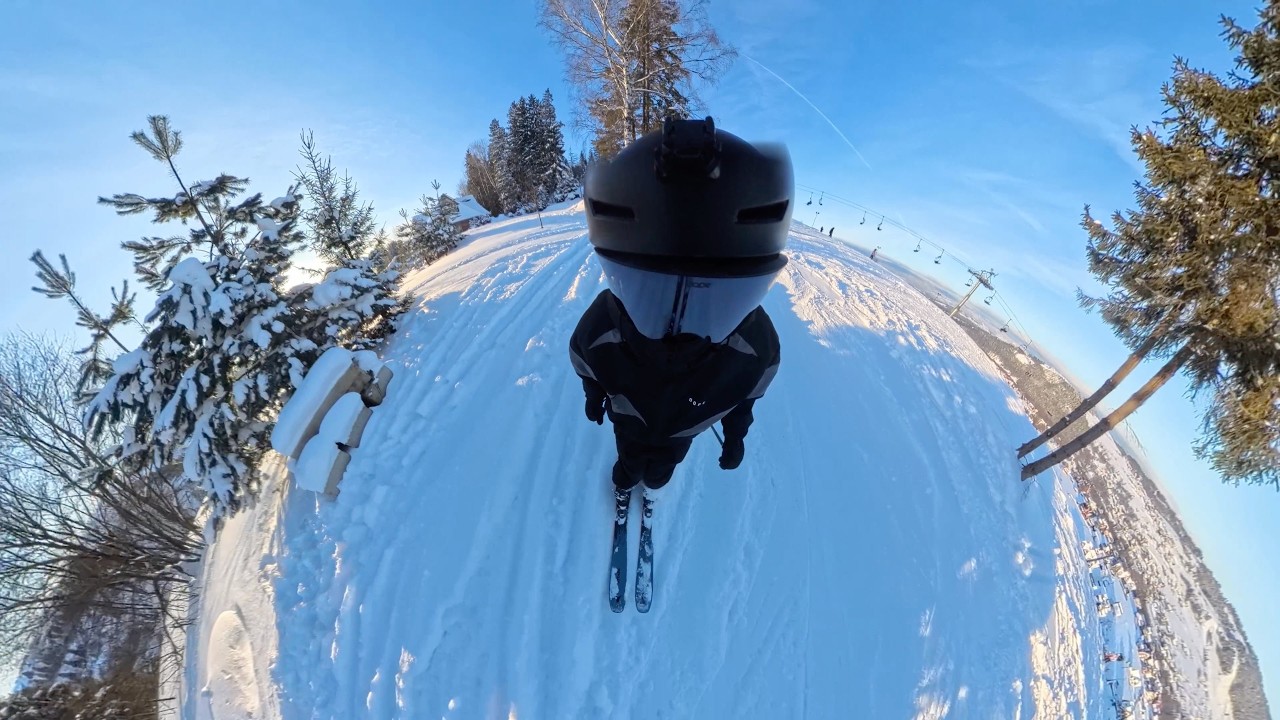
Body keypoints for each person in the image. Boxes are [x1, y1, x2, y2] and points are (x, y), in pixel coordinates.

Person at [569, 117, 790, 496]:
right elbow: (586, 362)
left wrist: (738, 433)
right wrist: (593, 393)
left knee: (659, 469)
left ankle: (646, 478)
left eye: (720, 299)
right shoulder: (755, 349)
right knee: (632, 461)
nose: (678, 331)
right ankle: (630, 476)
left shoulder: (757, 350)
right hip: (641, 426)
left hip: (669, 434)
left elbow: (747, 399)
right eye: (645, 288)